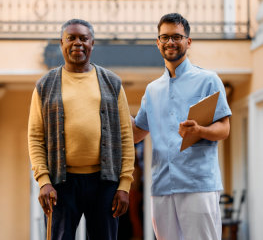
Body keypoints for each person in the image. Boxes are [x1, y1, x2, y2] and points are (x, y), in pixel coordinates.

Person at [28, 19, 135, 240]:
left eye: (83, 38)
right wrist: (44, 181)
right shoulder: (45, 85)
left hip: (105, 184)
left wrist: (124, 184)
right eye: (71, 38)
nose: (78, 43)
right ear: (61, 43)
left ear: (92, 43)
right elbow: (36, 137)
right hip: (61, 183)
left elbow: (125, 135)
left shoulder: (112, 83)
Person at [131, 13, 231, 240]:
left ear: (188, 41)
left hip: (198, 184)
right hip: (161, 186)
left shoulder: (208, 80)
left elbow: (224, 129)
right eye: (164, 37)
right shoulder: (152, 89)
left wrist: (200, 131)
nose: (170, 42)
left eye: (176, 36)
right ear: (157, 42)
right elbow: (138, 133)